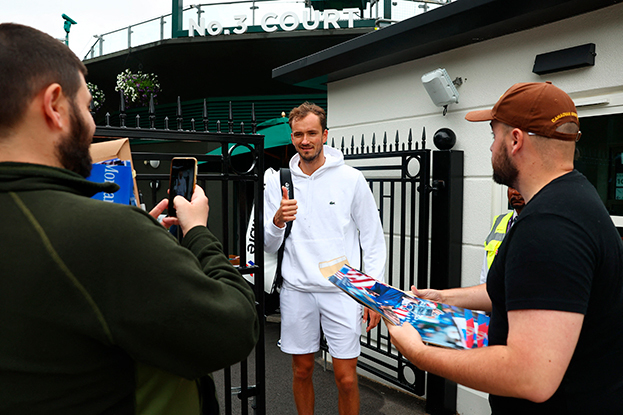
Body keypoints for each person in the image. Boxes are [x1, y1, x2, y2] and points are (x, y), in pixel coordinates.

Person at [0, 23, 259, 414]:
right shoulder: (104, 234)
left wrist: (145, 241)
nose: (91, 124)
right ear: (54, 105)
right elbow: (234, 328)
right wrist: (198, 231)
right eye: (86, 106)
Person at [386, 82, 623, 414]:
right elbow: (530, 294)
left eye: (493, 135)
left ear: (515, 140)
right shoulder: (573, 200)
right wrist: (443, 297)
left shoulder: (548, 226)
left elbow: (531, 377)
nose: (491, 147)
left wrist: (419, 354)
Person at [264, 102, 386, 415]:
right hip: (297, 291)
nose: (305, 140)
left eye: (312, 133)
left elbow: (372, 238)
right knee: (301, 371)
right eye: (298, 134)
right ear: (292, 137)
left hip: (342, 291)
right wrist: (277, 221)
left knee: (346, 379)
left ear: (325, 135)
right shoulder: (277, 181)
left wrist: (372, 295)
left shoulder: (351, 178)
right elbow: (266, 243)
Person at [480, 186, 525, 284]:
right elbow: (486, 269)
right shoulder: (499, 221)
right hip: (493, 295)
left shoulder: (540, 223)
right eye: (512, 187)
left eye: (520, 187)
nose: (515, 193)